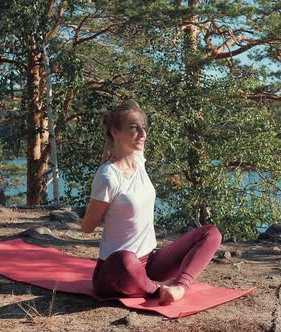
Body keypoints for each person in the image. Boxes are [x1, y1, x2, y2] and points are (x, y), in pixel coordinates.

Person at [81, 99, 222, 305]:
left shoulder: (138, 159)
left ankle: (179, 288)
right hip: (114, 271)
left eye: (144, 128)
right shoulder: (107, 176)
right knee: (126, 260)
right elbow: (87, 227)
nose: (142, 134)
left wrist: (109, 143)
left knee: (211, 233)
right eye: (134, 128)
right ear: (115, 132)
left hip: (150, 263)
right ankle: (157, 290)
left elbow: (132, 104)